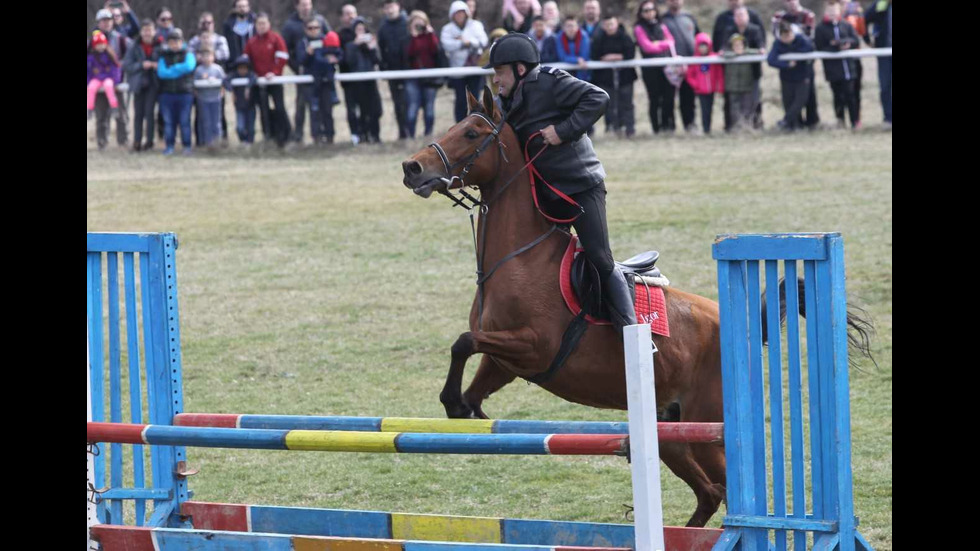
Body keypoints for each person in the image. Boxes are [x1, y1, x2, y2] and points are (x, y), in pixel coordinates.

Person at [484, 32, 636, 336]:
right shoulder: (505, 101)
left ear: (520, 69)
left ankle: (632, 335)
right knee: (540, 261)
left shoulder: (551, 82)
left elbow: (598, 97)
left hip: (580, 188)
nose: (496, 80)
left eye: (499, 72)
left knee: (599, 258)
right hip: (543, 195)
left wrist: (563, 130)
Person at [282, 0, 330, 144]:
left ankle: (320, 136)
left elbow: (331, 40)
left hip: (321, 73)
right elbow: (286, 50)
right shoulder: (290, 25)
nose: (306, 7)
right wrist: (297, 67)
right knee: (301, 105)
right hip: (302, 72)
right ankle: (298, 136)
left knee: (322, 106)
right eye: (303, 4)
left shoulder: (320, 20)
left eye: (308, 4)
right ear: (297, 6)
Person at [245, 12, 291, 147]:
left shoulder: (276, 39)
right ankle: (268, 136)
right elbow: (246, 60)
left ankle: (286, 136)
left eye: (264, 23)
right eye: (259, 24)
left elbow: (283, 57)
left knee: (280, 108)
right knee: (263, 110)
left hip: (274, 81)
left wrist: (275, 73)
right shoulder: (252, 42)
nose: (261, 26)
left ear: (269, 24)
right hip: (259, 83)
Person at [717, 7, 766, 131]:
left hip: (752, 73)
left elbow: (761, 45)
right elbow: (724, 47)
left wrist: (759, 50)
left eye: (742, 15)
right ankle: (734, 126)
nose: (740, 18)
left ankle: (753, 125)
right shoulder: (729, 30)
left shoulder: (755, 30)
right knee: (733, 102)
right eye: (737, 15)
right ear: (734, 18)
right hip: (733, 75)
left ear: (747, 16)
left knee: (753, 100)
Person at [772, 0, 819, 128]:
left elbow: (810, 39)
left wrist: (794, 50)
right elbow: (777, 37)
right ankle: (794, 124)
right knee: (790, 96)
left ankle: (811, 122)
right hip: (788, 68)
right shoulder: (778, 16)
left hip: (805, 64)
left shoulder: (808, 15)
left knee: (807, 95)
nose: (790, 2)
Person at [815, 2, 860, 129]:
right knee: (838, 96)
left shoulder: (846, 25)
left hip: (849, 68)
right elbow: (819, 46)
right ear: (825, 12)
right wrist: (834, 47)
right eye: (830, 12)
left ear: (839, 11)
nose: (832, 14)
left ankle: (855, 122)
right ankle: (840, 121)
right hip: (833, 70)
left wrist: (846, 44)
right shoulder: (820, 28)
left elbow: (855, 40)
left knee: (851, 95)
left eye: (834, 11)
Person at [590, 13, 636, 138]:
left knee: (626, 103)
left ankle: (630, 129)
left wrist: (616, 57)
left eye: (611, 24)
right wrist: (605, 59)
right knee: (609, 105)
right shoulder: (599, 38)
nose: (609, 27)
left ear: (616, 23)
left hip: (625, 77)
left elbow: (630, 52)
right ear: (603, 26)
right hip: (605, 78)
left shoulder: (625, 36)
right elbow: (594, 55)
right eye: (606, 25)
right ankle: (613, 129)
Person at [441, 1, 488, 122]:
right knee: (461, 100)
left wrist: (469, 42)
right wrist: (462, 43)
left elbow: (483, 41)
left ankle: (476, 122)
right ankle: (460, 124)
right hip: (457, 70)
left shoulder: (476, 25)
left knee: (475, 99)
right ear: (452, 15)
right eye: (457, 13)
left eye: (462, 13)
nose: (460, 16)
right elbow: (446, 45)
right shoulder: (447, 29)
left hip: (474, 68)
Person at [634, 1, 675, 134]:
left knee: (668, 97)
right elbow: (647, 47)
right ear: (641, 13)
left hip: (666, 68)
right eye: (645, 10)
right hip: (650, 70)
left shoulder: (662, 25)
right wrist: (663, 44)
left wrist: (658, 44)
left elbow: (671, 41)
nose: (649, 12)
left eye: (651, 9)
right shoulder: (639, 28)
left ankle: (667, 126)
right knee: (654, 99)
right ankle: (656, 128)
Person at [190, 14, 231, 146]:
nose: (206, 25)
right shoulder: (194, 41)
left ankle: (220, 142)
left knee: (219, 117)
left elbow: (225, 55)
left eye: (209, 22)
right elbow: (190, 57)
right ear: (199, 24)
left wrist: (208, 54)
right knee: (201, 118)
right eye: (203, 22)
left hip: (216, 88)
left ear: (213, 24)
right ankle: (202, 143)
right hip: (201, 88)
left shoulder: (220, 39)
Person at [93, 8, 130, 148]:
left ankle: (123, 141)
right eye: (103, 21)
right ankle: (102, 142)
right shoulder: (92, 40)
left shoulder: (120, 39)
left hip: (117, 83)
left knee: (121, 114)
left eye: (109, 20)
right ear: (98, 22)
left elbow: (130, 56)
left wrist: (121, 68)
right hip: (98, 84)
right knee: (101, 115)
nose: (106, 23)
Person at [123, 19, 162, 152]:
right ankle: (137, 141)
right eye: (145, 30)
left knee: (150, 113)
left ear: (154, 31)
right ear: (141, 32)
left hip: (153, 83)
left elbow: (164, 63)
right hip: (138, 83)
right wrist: (141, 65)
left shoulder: (160, 46)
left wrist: (157, 66)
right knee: (138, 114)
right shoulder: (134, 46)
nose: (147, 33)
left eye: (150, 30)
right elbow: (127, 65)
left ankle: (150, 141)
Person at [344, 17, 384, 144]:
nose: (361, 32)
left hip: (370, 81)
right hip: (357, 83)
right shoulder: (350, 46)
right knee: (363, 111)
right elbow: (349, 62)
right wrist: (355, 46)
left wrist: (372, 48)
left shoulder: (370, 45)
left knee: (376, 110)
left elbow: (377, 61)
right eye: (358, 29)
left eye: (363, 29)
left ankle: (376, 135)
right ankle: (364, 136)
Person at [767, 21, 814, 131]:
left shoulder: (801, 40)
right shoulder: (778, 44)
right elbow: (771, 60)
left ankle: (785, 121)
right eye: (784, 36)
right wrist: (787, 65)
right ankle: (794, 126)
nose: (787, 38)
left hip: (803, 76)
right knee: (788, 102)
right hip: (787, 77)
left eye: (789, 35)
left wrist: (795, 54)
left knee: (800, 101)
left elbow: (810, 48)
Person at [156, 28, 197, 155]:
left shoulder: (188, 54)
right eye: (172, 42)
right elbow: (162, 73)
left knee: (185, 121)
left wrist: (173, 69)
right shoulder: (163, 55)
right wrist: (179, 70)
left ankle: (187, 146)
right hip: (167, 94)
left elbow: (189, 66)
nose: (175, 44)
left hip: (185, 93)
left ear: (182, 41)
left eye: (177, 41)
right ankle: (169, 146)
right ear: (168, 43)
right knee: (169, 122)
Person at [299, 27, 343, 144]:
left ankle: (330, 136)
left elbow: (339, 54)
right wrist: (309, 54)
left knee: (328, 111)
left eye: (316, 27)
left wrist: (334, 60)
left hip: (327, 81)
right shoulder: (305, 43)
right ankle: (316, 137)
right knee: (315, 112)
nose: (314, 30)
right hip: (313, 80)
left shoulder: (327, 41)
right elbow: (302, 60)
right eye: (310, 28)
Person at [661, 0, 700, 131]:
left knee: (688, 98)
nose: (675, 2)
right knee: (668, 99)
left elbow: (699, 38)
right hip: (670, 67)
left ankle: (690, 125)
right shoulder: (662, 20)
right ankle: (668, 127)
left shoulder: (689, 18)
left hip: (690, 65)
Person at [378, 1, 412, 140]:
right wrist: (383, 68)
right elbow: (381, 50)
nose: (390, 9)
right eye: (387, 7)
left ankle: (413, 132)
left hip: (410, 71)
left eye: (392, 5)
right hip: (392, 71)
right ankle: (402, 133)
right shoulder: (383, 27)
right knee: (398, 104)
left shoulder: (408, 23)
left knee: (410, 103)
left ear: (398, 6)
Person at [405, 10, 441, 138]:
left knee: (429, 108)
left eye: (422, 22)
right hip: (413, 77)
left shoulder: (430, 35)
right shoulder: (407, 37)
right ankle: (411, 135)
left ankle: (428, 134)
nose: (419, 25)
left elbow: (436, 51)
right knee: (412, 108)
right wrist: (414, 36)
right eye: (416, 22)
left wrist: (430, 34)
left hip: (430, 76)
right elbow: (409, 54)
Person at [87, 30, 122, 151]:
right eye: (97, 44)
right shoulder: (91, 57)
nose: (100, 46)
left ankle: (114, 106)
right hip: (96, 79)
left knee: (108, 86)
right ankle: (89, 109)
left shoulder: (110, 55)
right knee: (91, 88)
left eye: (102, 43)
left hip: (108, 79)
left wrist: (115, 81)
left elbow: (116, 69)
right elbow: (88, 71)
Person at [684, 32, 723, 134]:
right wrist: (696, 85)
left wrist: (719, 87)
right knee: (703, 109)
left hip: (712, 89)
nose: (703, 49)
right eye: (700, 46)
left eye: (705, 46)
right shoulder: (695, 60)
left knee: (710, 109)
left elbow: (719, 73)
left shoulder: (714, 58)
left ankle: (709, 128)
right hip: (701, 90)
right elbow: (689, 75)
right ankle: (705, 129)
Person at [721, 34, 761, 130]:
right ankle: (737, 127)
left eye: (740, 44)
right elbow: (723, 54)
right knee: (734, 109)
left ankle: (746, 126)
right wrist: (735, 54)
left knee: (747, 107)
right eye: (735, 45)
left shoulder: (748, 54)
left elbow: (758, 52)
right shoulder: (728, 55)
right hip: (732, 87)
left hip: (746, 86)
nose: (738, 47)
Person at [337, 4, 361, 143]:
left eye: (353, 13)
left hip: (365, 79)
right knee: (352, 110)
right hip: (348, 79)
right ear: (342, 17)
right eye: (347, 13)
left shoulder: (364, 31)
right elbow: (342, 57)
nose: (351, 16)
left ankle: (368, 135)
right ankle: (355, 136)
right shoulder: (340, 35)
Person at [864, 0, 891, 127]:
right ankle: (888, 118)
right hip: (884, 52)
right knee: (885, 86)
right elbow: (864, 19)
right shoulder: (880, 4)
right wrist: (868, 40)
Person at [193, 48, 225, 148]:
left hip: (216, 99)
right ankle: (208, 143)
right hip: (203, 100)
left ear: (213, 57)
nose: (207, 58)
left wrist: (221, 93)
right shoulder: (198, 70)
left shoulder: (218, 69)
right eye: (204, 56)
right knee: (206, 122)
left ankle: (217, 143)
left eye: (209, 56)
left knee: (216, 122)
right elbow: (194, 85)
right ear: (201, 58)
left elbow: (224, 82)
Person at [224, 54, 258, 144]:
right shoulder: (234, 75)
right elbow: (225, 81)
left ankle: (250, 143)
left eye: (244, 68)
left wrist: (248, 87)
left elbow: (254, 78)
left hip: (250, 105)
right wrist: (232, 91)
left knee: (250, 127)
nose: (242, 70)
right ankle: (243, 141)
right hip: (239, 106)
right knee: (240, 127)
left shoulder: (251, 75)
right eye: (240, 68)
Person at [842, 1, 865, 123]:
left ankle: (856, 119)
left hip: (854, 59)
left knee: (855, 91)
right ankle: (840, 120)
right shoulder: (831, 15)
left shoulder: (855, 15)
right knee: (840, 93)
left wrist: (860, 17)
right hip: (837, 63)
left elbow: (861, 32)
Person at [553, 16, 590, 81]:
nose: (571, 29)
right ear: (563, 28)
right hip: (565, 75)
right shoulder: (559, 37)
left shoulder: (584, 36)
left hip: (582, 75)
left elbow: (584, 56)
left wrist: (578, 60)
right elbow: (562, 56)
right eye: (568, 26)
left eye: (573, 26)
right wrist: (576, 60)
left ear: (577, 27)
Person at [222, 0, 256, 70]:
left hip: (253, 63)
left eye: (244, 6)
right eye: (239, 7)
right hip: (234, 64)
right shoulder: (228, 25)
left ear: (249, 7)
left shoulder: (255, 23)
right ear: (235, 8)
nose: (242, 9)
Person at [481, 28, 510, 94]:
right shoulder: (488, 52)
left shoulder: (510, 51)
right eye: (496, 38)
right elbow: (480, 63)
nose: (497, 40)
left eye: (500, 37)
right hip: (495, 84)